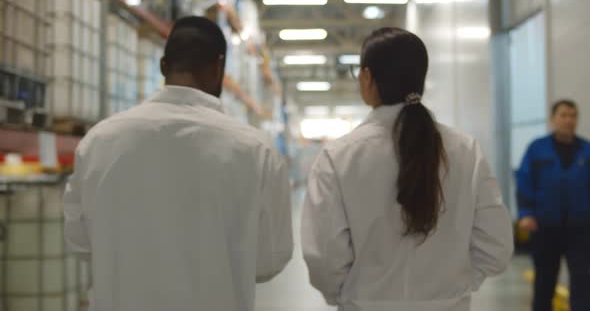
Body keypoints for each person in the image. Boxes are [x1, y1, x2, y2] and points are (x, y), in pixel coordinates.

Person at [63, 16, 293, 311]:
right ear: (219, 67)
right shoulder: (256, 150)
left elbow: (80, 243)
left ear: (162, 66)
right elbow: (268, 260)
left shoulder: (98, 142)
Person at [301, 27, 514, 311]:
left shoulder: (338, 157)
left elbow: (325, 258)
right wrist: (454, 287)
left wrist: (352, 294)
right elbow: (496, 247)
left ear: (367, 77)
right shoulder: (466, 151)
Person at [516, 100, 590, 311]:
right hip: (545, 226)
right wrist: (526, 213)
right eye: (564, 115)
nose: (569, 120)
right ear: (552, 119)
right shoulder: (537, 149)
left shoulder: (586, 150)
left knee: (582, 280)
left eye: (573, 115)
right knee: (544, 281)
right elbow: (525, 181)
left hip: (581, 227)